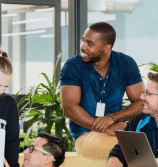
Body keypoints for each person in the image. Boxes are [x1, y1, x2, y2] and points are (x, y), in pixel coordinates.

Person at [60, 22, 144, 159]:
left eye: (90, 43)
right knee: (134, 147)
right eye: (83, 41)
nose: (82, 47)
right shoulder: (73, 66)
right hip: (85, 135)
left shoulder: (125, 64)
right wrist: (103, 127)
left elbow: (141, 103)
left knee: (144, 141)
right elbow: (69, 107)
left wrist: (112, 118)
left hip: (115, 130)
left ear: (106, 48)